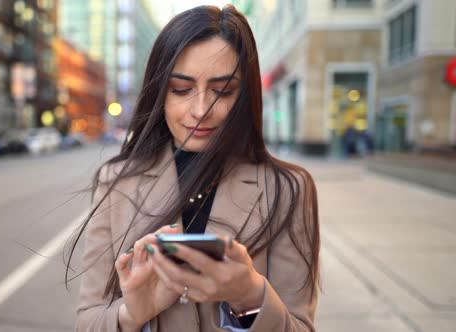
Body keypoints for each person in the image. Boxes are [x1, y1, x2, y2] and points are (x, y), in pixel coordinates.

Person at [66, 5, 320, 332]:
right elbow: (88, 322)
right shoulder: (116, 181)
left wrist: (250, 296)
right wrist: (133, 314)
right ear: (159, 93)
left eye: (222, 91)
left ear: (244, 95)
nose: (201, 109)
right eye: (181, 89)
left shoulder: (288, 188)